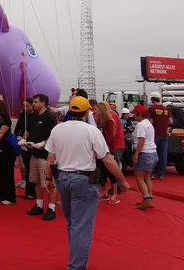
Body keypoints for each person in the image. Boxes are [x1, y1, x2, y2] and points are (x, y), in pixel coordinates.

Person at [45, 96, 129, 270]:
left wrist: (48, 178)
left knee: (71, 223)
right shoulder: (91, 131)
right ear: (86, 112)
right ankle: (76, 265)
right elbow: (107, 159)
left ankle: (75, 258)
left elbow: (51, 157)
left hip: (63, 178)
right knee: (81, 225)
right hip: (84, 179)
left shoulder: (57, 129)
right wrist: (121, 179)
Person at [22, 93, 58, 220]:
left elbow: (54, 136)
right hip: (34, 153)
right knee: (36, 181)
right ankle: (39, 205)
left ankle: (52, 208)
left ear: (43, 103)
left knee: (49, 183)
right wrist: (23, 139)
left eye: (36, 102)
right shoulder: (32, 116)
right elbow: (29, 130)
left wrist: (43, 143)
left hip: (45, 155)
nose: (34, 104)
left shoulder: (50, 117)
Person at [131, 104, 158, 210]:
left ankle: (146, 199)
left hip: (144, 153)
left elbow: (141, 140)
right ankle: (149, 198)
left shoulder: (140, 125)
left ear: (139, 114)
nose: (133, 115)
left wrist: (136, 154)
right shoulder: (149, 124)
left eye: (134, 114)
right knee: (147, 177)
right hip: (152, 153)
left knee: (139, 178)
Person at [95, 102, 123, 204]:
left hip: (107, 150)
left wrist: (103, 146)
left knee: (110, 172)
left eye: (96, 109)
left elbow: (110, 137)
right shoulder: (99, 120)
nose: (95, 111)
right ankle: (105, 191)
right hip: (100, 149)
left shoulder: (109, 120)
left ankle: (115, 193)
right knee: (101, 171)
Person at [0, 99, 17, 205]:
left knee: (7, 173)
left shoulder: (6, 119)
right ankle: (0, 195)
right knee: (0, 172)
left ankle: (10, 196)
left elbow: (1, 133)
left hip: (7, 148)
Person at [14, 97, 36, 199]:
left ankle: (33, 190)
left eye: (27, 106)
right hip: (23, 142)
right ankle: (28, 189)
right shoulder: (22, 114)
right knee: (25, 165)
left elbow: (31, 130)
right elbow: (18, 126)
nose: (25, 108)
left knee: (31, 167)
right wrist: (16, 137)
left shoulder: (35, 115)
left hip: (32, 143)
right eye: (24, 106)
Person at [147, 92, 172, 180]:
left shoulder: (151, 109)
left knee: (152, 153)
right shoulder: (166, 109)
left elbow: (150, 123)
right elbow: (171, 122)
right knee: (163, 155)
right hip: (164, 134)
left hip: (154, 134)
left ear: (152, 99)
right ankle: (161, 174)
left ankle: (152, 173)